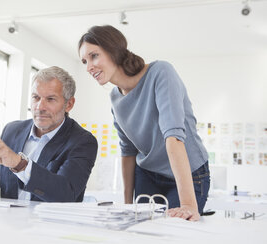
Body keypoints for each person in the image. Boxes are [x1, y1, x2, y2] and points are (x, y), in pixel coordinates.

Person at [78, 25, 210, 221]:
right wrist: (127, 204)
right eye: (84, 61)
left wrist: (189, 205)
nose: (89, 67)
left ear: (114, 49)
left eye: (94, 56)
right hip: (147, 174)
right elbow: (128, 151)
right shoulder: (115, 98)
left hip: (188, 174)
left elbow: (173, 136)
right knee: (140, 232)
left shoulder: (160, 72)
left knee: (175, 232)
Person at [0, 66, 98, 202]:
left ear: (69, 104)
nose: (40, 107)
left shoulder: (83, 141)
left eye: (50, 99)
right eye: (36, 97)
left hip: (49, 223)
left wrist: (19, 164)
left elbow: (65, 194)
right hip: (8, 221)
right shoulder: (11, 131)